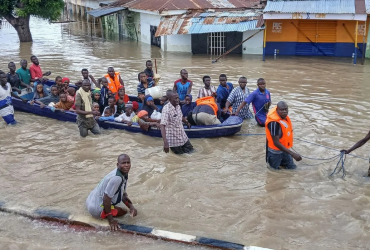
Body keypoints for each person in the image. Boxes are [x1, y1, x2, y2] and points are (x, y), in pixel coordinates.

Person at [86, 154, 137, 231]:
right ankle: (103, 215)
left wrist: (131, 207)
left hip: (90, 200)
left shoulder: (122, 173)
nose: (126, 165)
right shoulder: (117, 178)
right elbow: (106, 199)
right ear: (118, 165)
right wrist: (111, 220)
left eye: (128, 162)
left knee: (123, 207)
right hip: (95, 209)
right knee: (124, 212)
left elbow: (122, 194)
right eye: (123, 163)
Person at [265, 101, 302, 170]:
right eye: (282, 110)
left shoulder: (283, 117)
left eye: (286, 109)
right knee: (274, 171)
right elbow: (276, 143)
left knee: (292, 168)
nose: (284, 111)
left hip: (284, 149)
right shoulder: (274, 123)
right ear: (277, 110)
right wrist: (292, 154)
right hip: (275, 152)